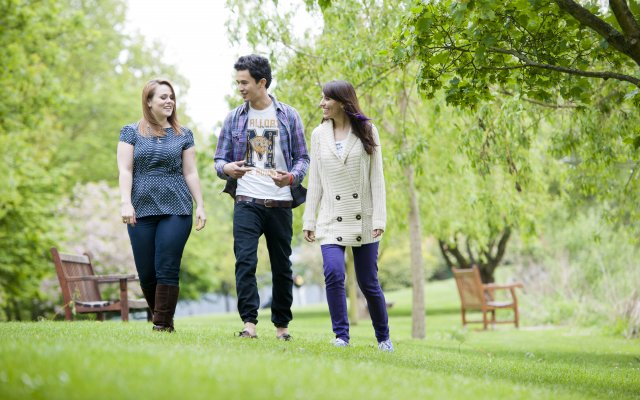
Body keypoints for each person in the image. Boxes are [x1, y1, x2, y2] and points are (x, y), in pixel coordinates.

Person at [214, 54, 309, 340]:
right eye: (238, 82)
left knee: (282, 266)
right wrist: (227, 169)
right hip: (246, 201)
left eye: (245, 82)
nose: (240, 88)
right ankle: (249, 325)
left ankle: (282, 326)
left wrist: (291, 177)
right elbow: (219, 161)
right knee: (245, 262)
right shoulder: (234, 118)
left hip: (280, 202)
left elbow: (303, 158)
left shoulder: (289, 115)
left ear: (262, 82)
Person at [302, 80, 393, 352]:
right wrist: (309, 219)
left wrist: (379, 219)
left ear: (342, 101)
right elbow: (315, 180)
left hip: (363, 216)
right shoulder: (319, 134)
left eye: (327, 99)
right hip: (330, 217)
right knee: (333, 272)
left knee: (368, 281)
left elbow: (377, 179)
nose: (322, 104)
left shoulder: (367, 130)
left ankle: (383, 338)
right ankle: (341, 335)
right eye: (322, 99)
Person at [117, 78, 206, 332]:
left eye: (171, 97)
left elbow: (190, 172)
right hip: (140, 208)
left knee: (167, 266)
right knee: (146, 273)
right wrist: (125, 202)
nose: (169, 102)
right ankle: (164, 319)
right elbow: (125, 170)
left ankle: (161, 326)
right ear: (148, 101)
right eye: (163, 97)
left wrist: (199, 205)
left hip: (176, 209)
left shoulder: (183, 134)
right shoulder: (130, 132)